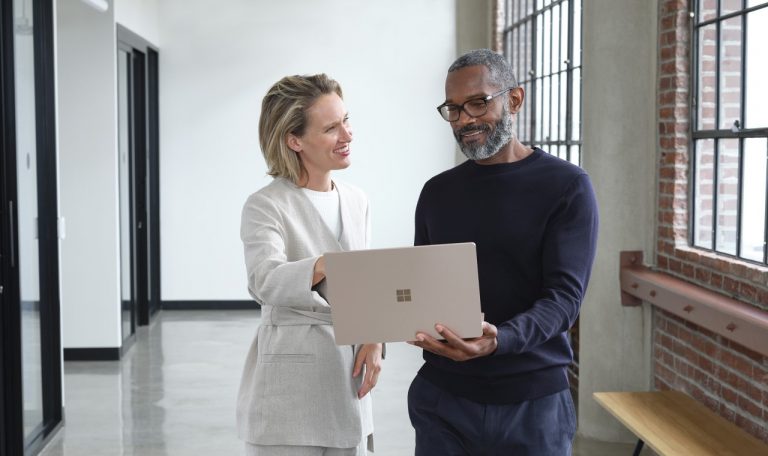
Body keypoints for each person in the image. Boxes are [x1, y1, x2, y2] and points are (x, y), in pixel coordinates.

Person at [407, 49, 599, 455]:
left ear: (514, 99)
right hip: (443, 398)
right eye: (454, 110)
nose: (465, 120)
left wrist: (500, 340)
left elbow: (564, 300)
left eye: (478, 103)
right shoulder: (437, 193)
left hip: (533, 404)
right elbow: (423, 287)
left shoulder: (567, 187)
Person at [236, 74, 383, 456]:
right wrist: (327, 264)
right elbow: (264, 280)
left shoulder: (356, 200)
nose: (347, 135)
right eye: (331, 128)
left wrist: (374, 337)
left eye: (346, 121)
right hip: (291, 385)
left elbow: (364, 284)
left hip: (348, 380)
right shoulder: (266, 204)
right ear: (294, 140)